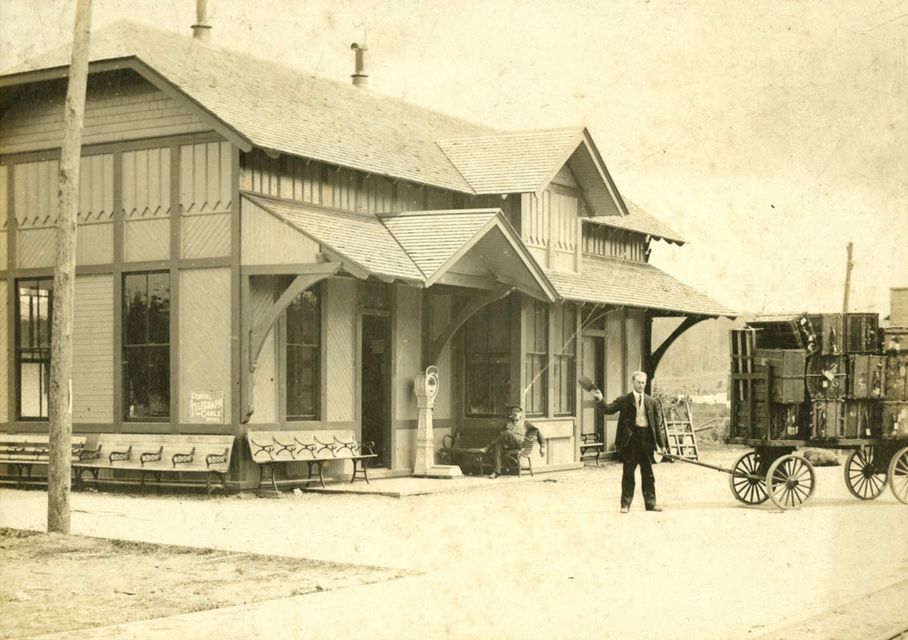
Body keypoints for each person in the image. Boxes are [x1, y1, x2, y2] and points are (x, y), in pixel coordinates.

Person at [592, 371, 668, 513]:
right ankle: (625, 504)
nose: (641, 385)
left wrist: (662, 445)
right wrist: (600, 399)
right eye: (639, 382)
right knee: (628, 473)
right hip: (630, 441)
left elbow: (657, 426)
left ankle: (651, 504)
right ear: (633, 382)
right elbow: (608, 409)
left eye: (643, 382)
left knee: (648, 474)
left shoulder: (651, 402)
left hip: (646, 440)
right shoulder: (624, 400)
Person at [484, 405, 545, 479]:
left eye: (518, 413)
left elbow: (537, 431)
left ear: (520, 415)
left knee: (507, 433)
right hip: (508, 445)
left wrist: (542, 446)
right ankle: (495, 472)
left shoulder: (525, 423)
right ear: (511, 414)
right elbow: (501, 435)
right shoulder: (507, 424)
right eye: (514, 412)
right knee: (498, 446)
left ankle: (489, 446)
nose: (515, 414)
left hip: (519, 444)